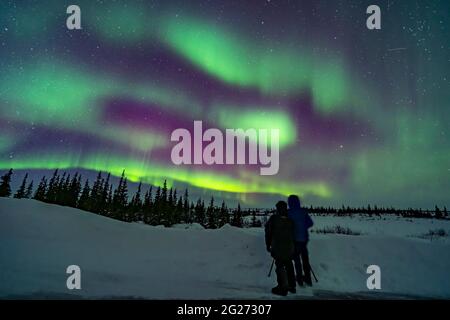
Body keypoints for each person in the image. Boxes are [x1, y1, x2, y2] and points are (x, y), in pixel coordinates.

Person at [265, 201, 296, 296]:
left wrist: (268, 244)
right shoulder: (291, 219)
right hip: (290, 247)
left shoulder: (274, 219)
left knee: (280, 265)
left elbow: (268, 232)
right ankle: (291, 286)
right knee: (289, 263)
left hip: (278, 247)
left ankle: (282, 287)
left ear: (277, 208)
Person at [288, 194, 314, 287]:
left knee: (297, 260)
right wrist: (303, 227)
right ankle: (308, 279)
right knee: (305, 260)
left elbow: (287, 226)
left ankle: (299, 280)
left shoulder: (289, 213)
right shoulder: (303, 212)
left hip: (295, 240)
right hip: (304, 240)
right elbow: (310, 223)